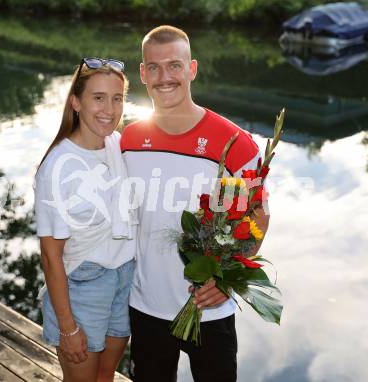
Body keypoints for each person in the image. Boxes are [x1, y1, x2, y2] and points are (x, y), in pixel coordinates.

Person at [120, 26, 270, 382]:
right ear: (142, 74)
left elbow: (257, 216)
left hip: (210, 307)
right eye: (153, 67)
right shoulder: (129, 139)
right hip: (146, 305)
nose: (164, 77)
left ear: (192, 69)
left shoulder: (236, 143)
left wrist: (227, 280)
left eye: (174, 65)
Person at [34, 58, 136, 382]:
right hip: (82, 285)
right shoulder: (59, 165)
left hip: (124, 275)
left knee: (106, 377)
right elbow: (51, 257)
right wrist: (67, 325)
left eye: (117, 98)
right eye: (98, 97)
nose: (109, 108)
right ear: (76, 102)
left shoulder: (118, 145)